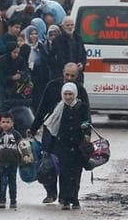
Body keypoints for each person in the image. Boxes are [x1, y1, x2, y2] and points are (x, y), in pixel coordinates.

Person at [31, 63, 88, 203]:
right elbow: (42, 107)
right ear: (63, 72)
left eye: (72, 76)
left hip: (72, 135)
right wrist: (33, 127)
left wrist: (86, 134)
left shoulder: (79, 90)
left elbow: (86, 115)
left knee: (70, 168)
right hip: (52, 130)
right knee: (48, 163)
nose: (69, 78)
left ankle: (68, 196)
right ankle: (51, 192)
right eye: (67, 74)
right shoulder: (52, 86)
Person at [43, 82, 90, 211]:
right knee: (63, 173)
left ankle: (74, 198)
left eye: (70, 94)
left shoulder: (81, 106)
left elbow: (87, 121)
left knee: (76, 173)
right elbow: (52, 126)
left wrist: (86, 135)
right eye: (66, 94)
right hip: (62, 145)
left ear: (74, 94)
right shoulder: (59, 108)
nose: (68, 97)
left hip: (77, 145)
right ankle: (64, 199)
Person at [0, 112, 22, 209]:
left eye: (8, 122)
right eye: (3, 122)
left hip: (13, 162)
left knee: (12, 182)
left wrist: (23, 157)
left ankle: (13, 200)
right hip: (1, 162)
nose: (5, 124)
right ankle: (2, 200)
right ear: (0, 123)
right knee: (2, 181)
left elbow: (21, 147)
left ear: (12, 123)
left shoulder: (16, 135)